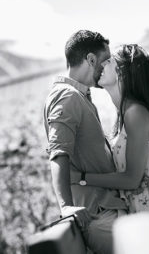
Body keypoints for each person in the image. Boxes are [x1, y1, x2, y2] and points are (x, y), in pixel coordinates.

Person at [70, 44, 149, 229]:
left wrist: (81, 177)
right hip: (145, 216)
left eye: (108, 61)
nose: (101, 65)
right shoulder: (126, 115)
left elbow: (132, 179)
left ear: (123, 72)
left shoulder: (135, 113)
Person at [43, 30, 128, 254]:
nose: (109, 66)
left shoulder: (78, 95)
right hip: (99, 216)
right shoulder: (67, 96)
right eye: (105, 60)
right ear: (90, 59)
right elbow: (58, 154)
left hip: (106, 213)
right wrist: (66, 207)